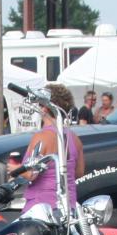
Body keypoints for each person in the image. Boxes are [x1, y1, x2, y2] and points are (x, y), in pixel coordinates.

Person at [22, 83, 86, 215]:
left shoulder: (41, 137)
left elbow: (30, 174)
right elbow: (79, 172)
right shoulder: (75, 139)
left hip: (40, 209)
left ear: (45, 108)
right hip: (68, 209)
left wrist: (13, 168)